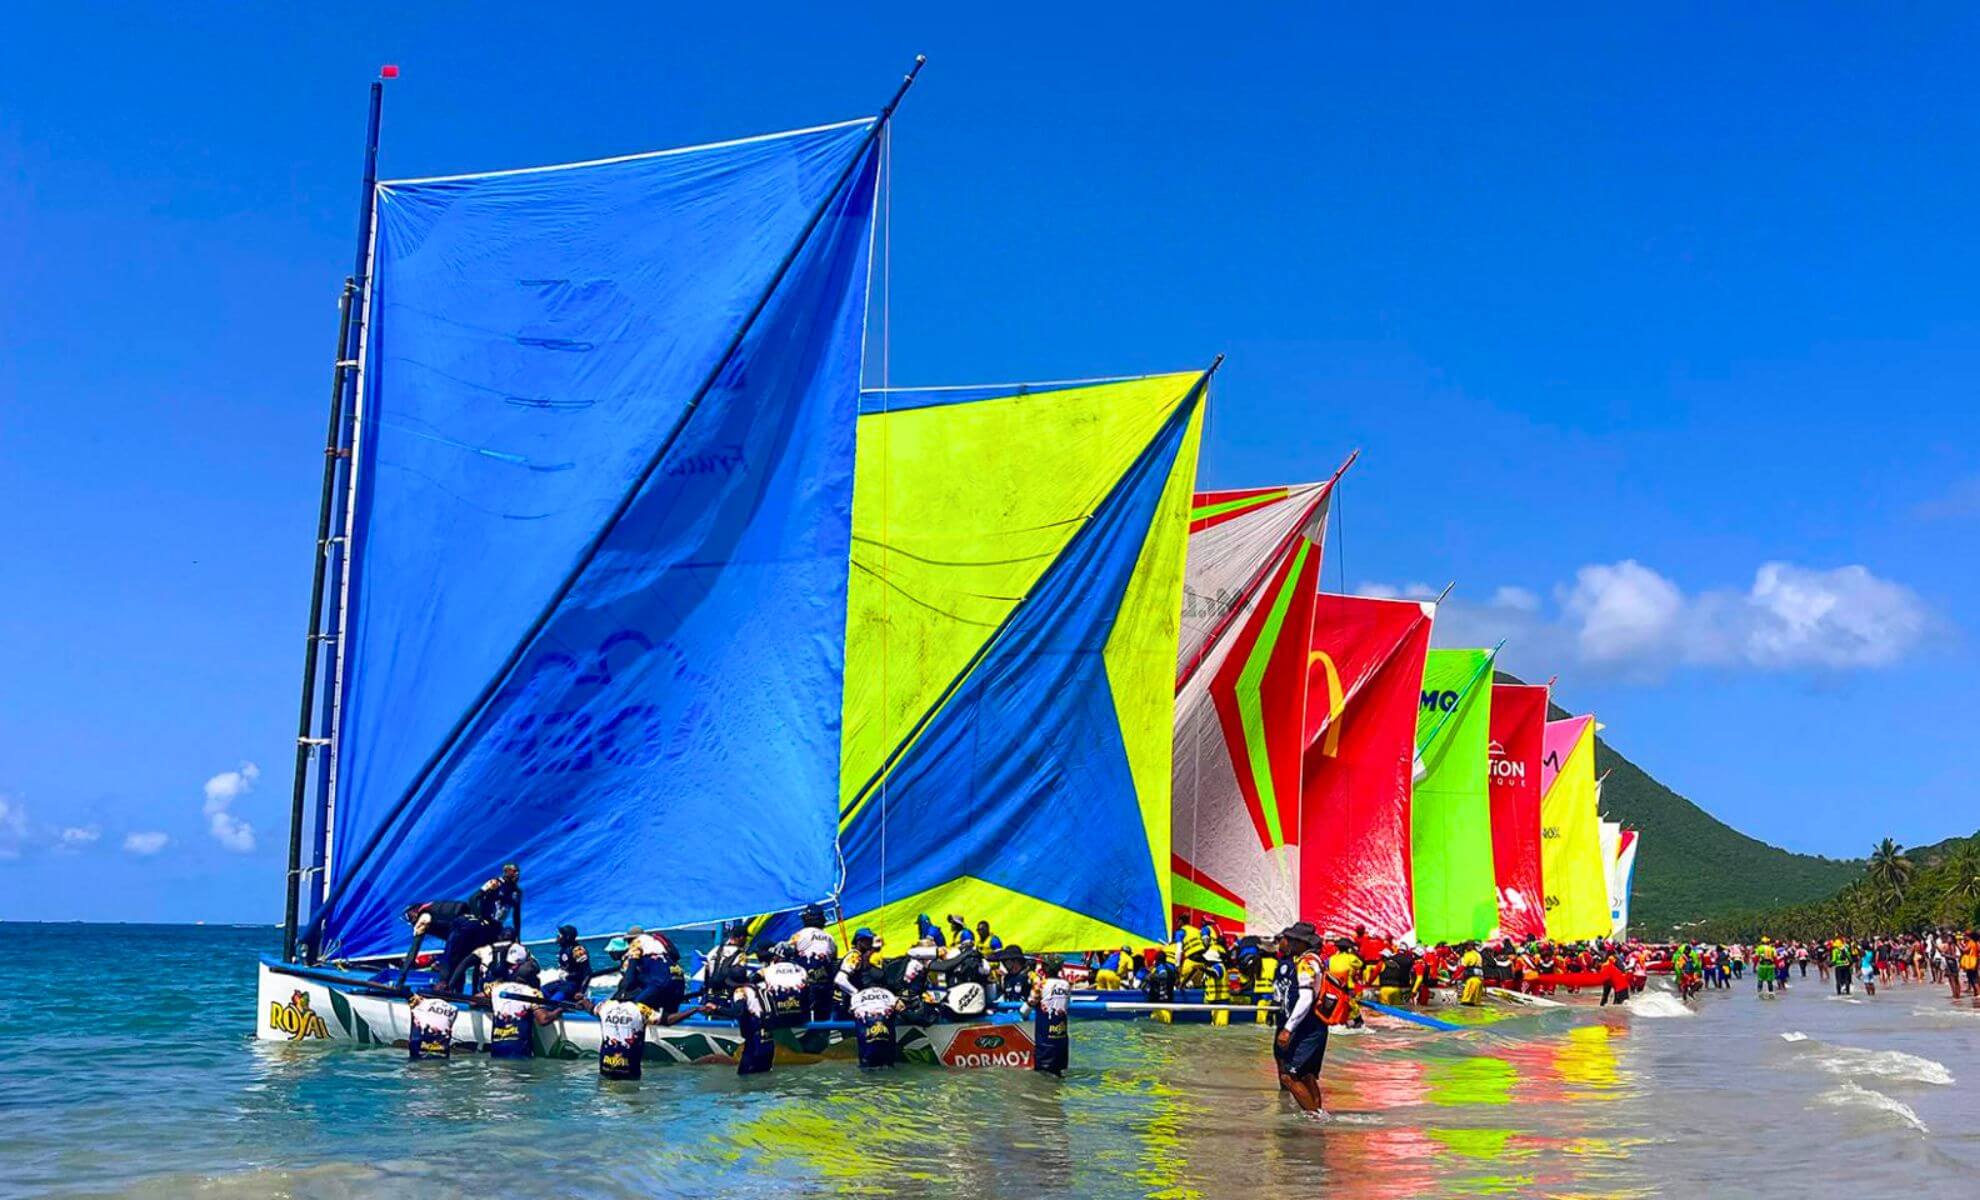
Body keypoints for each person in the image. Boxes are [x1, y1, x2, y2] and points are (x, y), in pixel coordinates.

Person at [1274, 922, 1339, 1118]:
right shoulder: (1315, 960)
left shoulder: (1305, 963)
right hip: (1316, 1025)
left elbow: (1305, 998)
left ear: (1303, 942)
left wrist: (1288, 1028)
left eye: (1293, 939)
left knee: (1289, 1076)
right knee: (1307, 1075)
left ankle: (1314, 1119)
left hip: (1307, 1026)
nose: (1290, 942)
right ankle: (1319, 1115)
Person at [787, 906, 840, 1022]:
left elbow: (786, 952)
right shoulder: (830, 938)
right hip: (825, 984)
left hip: (804, 983)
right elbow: (834, 960)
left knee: (803, 1016)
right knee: (822, 1017)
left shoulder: (799, 935)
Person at [1031, 954, 1071, 1076]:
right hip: (1061, 1036)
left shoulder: (1041, 984)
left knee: (1043, 1075)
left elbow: (1030, 1003)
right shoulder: (1066, 984)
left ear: (1044, 968)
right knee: (1058, 1073)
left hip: (1045, 1039)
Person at [542, 925, 592, 1006]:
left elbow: (587, 973)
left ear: (567, 937)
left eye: (559, 936)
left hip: (573, 985)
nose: (557, 938)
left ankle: (554, 1007)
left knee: (554, 1002)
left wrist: (581, 992)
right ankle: (554, 1005)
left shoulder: (578, 951)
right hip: (563, 983)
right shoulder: (563, 949)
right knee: (542, 990)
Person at [1144, 948, 1180, 1023]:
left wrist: (1150, 977)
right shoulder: (1171, 969)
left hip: (1157, 1008)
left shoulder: (1159, 968)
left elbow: (1163, 975)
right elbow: (1176, 981)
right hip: (1169, 1008)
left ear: (1156, 960)